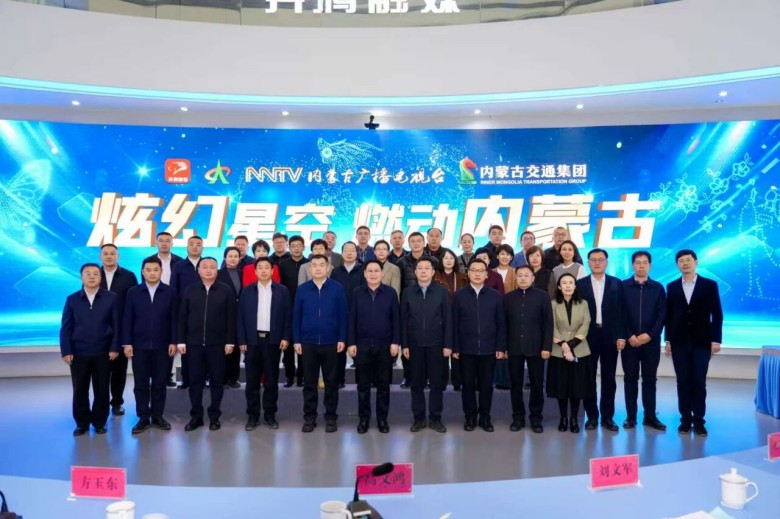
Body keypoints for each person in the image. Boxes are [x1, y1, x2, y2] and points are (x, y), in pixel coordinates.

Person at [665, 249, 723, 437]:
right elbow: (669, 315)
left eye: (688, 260)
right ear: (677, 265)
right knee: (682, 382)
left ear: (696, 262)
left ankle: (699, 421)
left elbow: (717, 314)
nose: (685, 263)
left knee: (699, 381)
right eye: (681, 261)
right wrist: (668, 339)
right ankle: (685, 420)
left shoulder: (709, 285)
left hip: (702, 341)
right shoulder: (672, 286)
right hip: (679, 341)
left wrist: (716, 339)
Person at [60, 263, 120, 436]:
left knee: (102, 389)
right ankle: (82, 423)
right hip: (79, 352)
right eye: (88, 273)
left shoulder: (111, 298)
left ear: (101, 277)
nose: (92, 276)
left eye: (95, 273)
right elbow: (66, 327)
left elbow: (117, 325)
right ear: (81, 277)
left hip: (104, 352)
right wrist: (66, 350)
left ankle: (100, 422)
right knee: (80, 389)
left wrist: (114, 347)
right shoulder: (72, 299)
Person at [177, 257, 237, 432]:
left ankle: (214, 417)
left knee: (217, 382)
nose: (209, 270)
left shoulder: (226, 290)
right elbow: (182, 318)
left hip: (218, 345)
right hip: (193, 344)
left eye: (212, 267)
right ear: (198, 270)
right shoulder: (190, 290)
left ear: (217, 270)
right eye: (205, 267)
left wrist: (230, 341)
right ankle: (196, 416)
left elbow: (231, 318)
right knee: (195, 381)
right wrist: (181, 340)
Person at [122, 257, 177, 434]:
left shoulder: (170, 292)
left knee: (160, 383)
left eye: (155, 269)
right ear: (143, 272)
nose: (152, 273)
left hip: (163, 346)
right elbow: (127, 318)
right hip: (139, 346)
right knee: (141, 384)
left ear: (161, 271)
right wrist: (127, 343)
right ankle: (143, 417)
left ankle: (158, 416)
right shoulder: (133, 292)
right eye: (148, 270)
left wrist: (173, 341)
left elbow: (174, 320)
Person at [293, 254, 348, 433]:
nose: (317, 268)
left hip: (331, 342)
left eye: (321, 265)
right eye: (314, 265)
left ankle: (331, 417)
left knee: (331, 383)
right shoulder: (302, 289)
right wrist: (297, 340)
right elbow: (296, 316)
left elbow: (343, 315)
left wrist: (342, 338)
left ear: (328, 268)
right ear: (309, 269)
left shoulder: (337, 288)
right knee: (309, 383)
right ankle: (309, 417)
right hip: (307, 343)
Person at [237, 257, 292, 431]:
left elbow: (287, 316)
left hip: (273, 340)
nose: (263, 270)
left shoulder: (282, 290)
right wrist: (242, 340)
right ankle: (252, 416)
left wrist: (286, 337)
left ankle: (270, 415)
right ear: (255, 271)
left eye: (266, 267)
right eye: (259, 267)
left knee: (271, 380)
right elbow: (240, 317)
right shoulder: (247, 291)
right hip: (252, 341)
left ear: (272, 270)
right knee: (252, 381)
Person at [452, 258, 506, 432]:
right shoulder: (459, 296)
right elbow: (454, 324)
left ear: (486, 274)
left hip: (489, 349)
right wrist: (455, 347)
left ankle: (485, 417)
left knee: (486, 386)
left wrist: (500, 347)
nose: (477, 274)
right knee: (467, 385)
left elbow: (501, 323)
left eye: (480, 270)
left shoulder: (495, 296)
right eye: (473, 270)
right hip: (466, 349)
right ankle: (470, 417)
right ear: (468, 273)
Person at [348, 260, 400, 434]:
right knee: (363, 385)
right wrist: (351, 342)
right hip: (362, 346)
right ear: (364, 273)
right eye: (369, 271)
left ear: (382, 273)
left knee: (383, 386)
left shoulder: (391, 293)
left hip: (384, 346)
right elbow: (352, 319)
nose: (373, 274)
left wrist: (395, 342)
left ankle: (382, 419)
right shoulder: (357, 292)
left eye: (376, 270)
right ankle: (364, 419)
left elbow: (396, 319)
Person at [577, 248, 626, 432]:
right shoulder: (580, 284)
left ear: (606, 262)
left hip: (610, 337)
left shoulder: (617, 283)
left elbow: (622, 311)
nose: (597, 263)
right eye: (593, 260)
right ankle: (591, 416)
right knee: (588, 378)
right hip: (587, 337)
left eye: (601, 260)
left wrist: (621, 335)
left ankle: (607, 417)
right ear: (588, 262)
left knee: (609, 378)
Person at [401, 258, 452, 433]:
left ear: (432, 272)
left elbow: (448, 320)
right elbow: (403, 320)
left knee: (437, 383)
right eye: (420, 268)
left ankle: (436, 418)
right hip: (414, 345)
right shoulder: (408, 292)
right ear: (415, 272)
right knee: (416, 383)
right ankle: (419, 418)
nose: (423, 271)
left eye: (427, 268)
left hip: (436, 344)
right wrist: (404, 345)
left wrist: (447, 344)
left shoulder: (441, 292)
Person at [504, 266, 553, 433]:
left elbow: (548, 324)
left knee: (537, 384)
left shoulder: (543, 296)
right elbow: (504, 324)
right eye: (520, 275)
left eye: (527, 275)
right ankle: (517, 418)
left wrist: (546, 347)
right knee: (515, 384)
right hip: (514, 347)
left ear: (533, 278)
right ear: (516, 278)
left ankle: (536, 418)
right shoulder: (509, 298)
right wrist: (504, 347)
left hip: (537, 348)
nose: (523, 278)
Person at [622, 251, 667, 431]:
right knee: (630, 379)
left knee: (650, 380)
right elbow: (619, 313)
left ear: (650, 265)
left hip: (651, 343)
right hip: (630, 343)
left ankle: (650, 417)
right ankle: (631, 417)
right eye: (638, 262)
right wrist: (629, 335)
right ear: (633, 265)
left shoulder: (658, 288)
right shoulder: (623, 286)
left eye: (645, 262)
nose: (641, 265)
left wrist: (650, 335)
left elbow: (662, 315)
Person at [548, 273, 594, 433]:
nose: (567, 285)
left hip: (580, 350)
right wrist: (563, 345)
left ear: (575, 286)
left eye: (570, 283)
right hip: (558, 351)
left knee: (577, 387)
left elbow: (586, 324)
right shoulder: (553, 304)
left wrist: (570, 346)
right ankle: (563, 418)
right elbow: (551, 326)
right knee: (561, 388)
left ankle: (574, 418)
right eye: (564, 283)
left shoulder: (583, 303)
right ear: (559, 287)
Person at [99, 243, 139, 416]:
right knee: (100, 371)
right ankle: (101, 404)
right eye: (105, 253)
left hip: (121, 330)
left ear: (118, 256)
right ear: (101, 256)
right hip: (99, 331)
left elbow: (135, 304)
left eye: (112, 253)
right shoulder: (94, 274)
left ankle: (116, 402)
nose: (109, 256)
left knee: (119, 370)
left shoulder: (129, 276)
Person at [145, 231, 182, 387]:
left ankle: (167, 375)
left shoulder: (179, 261)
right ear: (156, 242)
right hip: (154, 302)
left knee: (170, 338)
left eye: (168, 240)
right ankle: (152, 375)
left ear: (172, 243)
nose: (164, 243)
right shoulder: (149, 261)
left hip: (173, 301)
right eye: (161, 240)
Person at [170, 235, 205, 390]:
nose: (195, 246)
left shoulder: (207, 264)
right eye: (192, 244)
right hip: (185, 313)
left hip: (205, 312)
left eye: (198, 244)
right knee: (186, 348)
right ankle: (186, 379)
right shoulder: (179, 266)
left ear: (202, 247)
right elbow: (173, 289)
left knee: (204, 348)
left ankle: (204, 378)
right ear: (187, 247)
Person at [433, 249, 467, 391]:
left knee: (458, 349)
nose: (448, 260)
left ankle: (458, 381)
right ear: (441, 260)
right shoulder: (434, 276)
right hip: (440, 317)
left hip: (459, 316)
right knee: (442, 350)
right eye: (446, 258)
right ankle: (441, 381)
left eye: (451, 258)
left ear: (455, 261)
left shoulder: (463, 277)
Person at [277, 235, 308, 387]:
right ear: (289, 247)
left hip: (305, 308)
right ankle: (289, 376)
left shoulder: (309, 264)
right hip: (287, 307)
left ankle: (302, 376)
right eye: (293, 246)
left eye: (299, 245)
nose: (296, 248)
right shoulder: (282, 265)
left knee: (303, 343)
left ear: (304, 247)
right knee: (288, 343)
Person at [218, 246, 243, 389]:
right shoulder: (218, 274)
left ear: (240, 258)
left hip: (239, 314)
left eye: (236, 256)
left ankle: (233, 378)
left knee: (236, 347)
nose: (233, 259)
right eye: (230, 256)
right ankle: (222, 378)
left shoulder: (243, 273)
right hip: (223, 315)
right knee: (223, 347)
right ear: (225, 258)